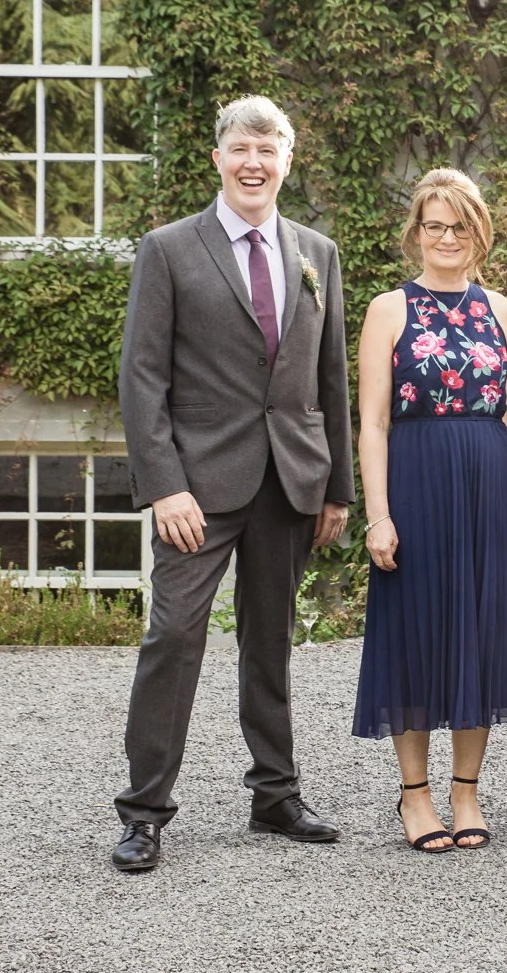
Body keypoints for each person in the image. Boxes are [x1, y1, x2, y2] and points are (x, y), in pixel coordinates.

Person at [112, 94, 353, 873]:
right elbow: (141, 377)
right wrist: (164, 487)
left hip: (290, 478)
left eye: (268, 149)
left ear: (288, 160)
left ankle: (275, 795)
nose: (254, 163)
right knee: (174, 636)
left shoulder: (317, 252)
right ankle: (145, 811)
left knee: (270, 640)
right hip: (196, 487)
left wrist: (338, 489)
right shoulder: (169, 249)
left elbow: (330, 378)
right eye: (241, 149)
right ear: (218, 158)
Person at [353, 169, 507, 852]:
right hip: (417, 482)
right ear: (417, 233)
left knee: (480, 632)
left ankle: (466, 792)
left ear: (478, 233)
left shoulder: (501, 309)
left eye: (460, 226)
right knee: (415, 630)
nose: (448, 238)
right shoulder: (388, 309)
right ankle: (415, 796)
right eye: (436, 226)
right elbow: (372, 423)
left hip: (488, 486)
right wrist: (378, 514)